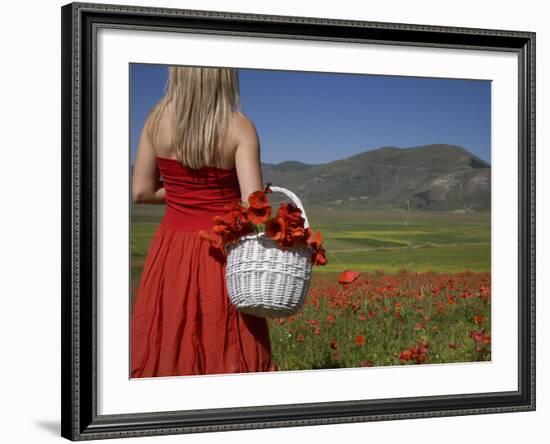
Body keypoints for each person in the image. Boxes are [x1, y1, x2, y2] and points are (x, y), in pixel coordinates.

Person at [130, 66, 278, 378]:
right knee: (226, 338)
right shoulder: (240, 127)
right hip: (221, 253)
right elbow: (253, 205)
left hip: (170, 250)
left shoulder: (155, 121)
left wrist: (186, 192)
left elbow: (141, 191)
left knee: (168, 335)